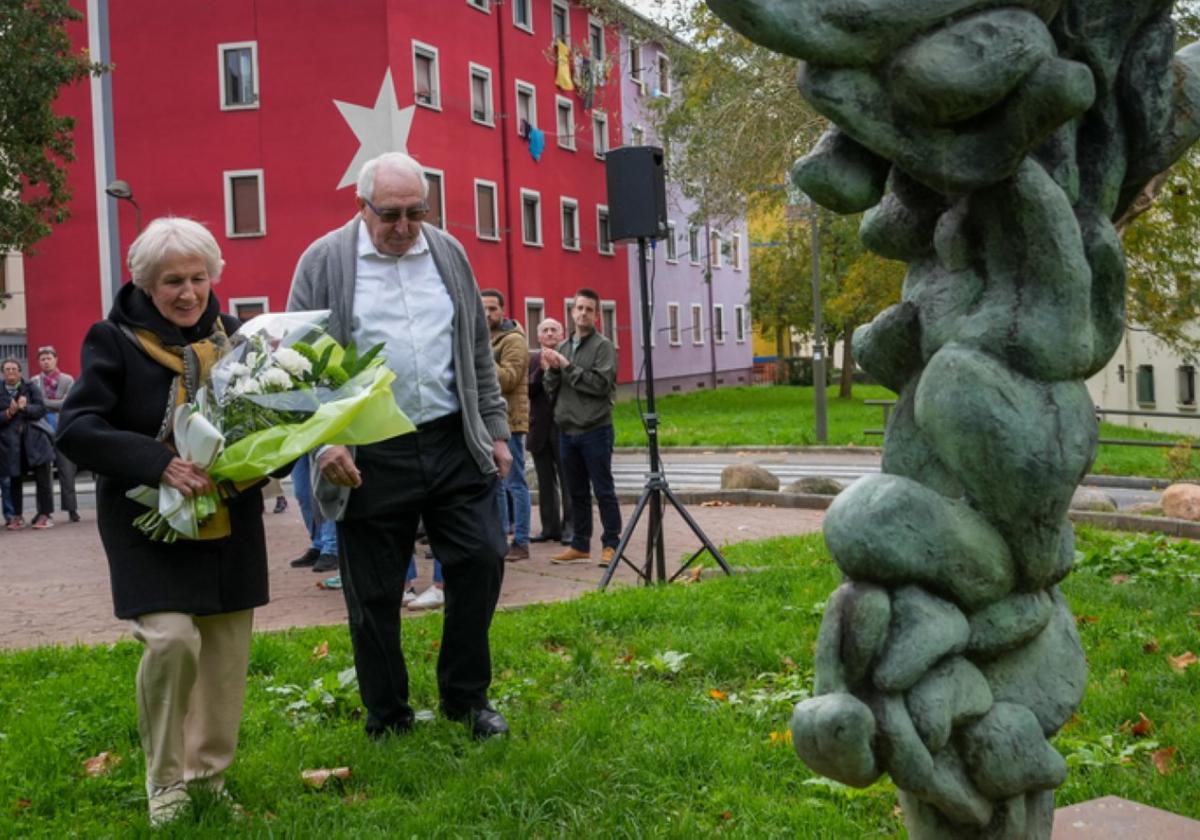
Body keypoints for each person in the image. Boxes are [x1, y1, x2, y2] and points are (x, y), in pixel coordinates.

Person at [288, 151, 512, 740]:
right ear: (362, 207)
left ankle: (466, 698)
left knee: (481, 557)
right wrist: (325, 441)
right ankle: (387, 714)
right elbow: (299, 363)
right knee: (375, 590)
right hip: (368, 449)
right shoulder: (324, 261)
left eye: (417, 212)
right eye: (391, 214)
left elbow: (476, 350)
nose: (405, 227)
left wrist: (494, 427)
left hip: (450, 437)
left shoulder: (447, 253)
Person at [56, 217, 268, 827]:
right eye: (172, 280)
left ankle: (208, 780)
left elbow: (273, 418)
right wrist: (159, 463)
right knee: (173, 640)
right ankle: (166, 784)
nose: (188, 292)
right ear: (146, 284)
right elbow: (77, 428)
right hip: (147, 520)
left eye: (198, 278)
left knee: (226, 657)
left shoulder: (236, 339)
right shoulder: (113, 340)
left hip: (228, 515)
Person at [544, 289, 621, 566]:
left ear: (597, 315)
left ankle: (611, 543)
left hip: (595, 429)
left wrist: (566, 367)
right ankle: (580, 544)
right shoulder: (563, 347)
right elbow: (551, 389)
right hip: (567, 430)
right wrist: (552, 371)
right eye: (579, 308)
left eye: (589, 309)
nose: (583, 313)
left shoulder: (604, 347)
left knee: (603, 490)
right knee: (575, 491)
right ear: (572, 312)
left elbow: (600, 386)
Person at [481, 289, 531, 562]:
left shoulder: (513, 340)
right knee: (496, 484)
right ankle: (500, 538)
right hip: (489, 423)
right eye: (483, 309)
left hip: (510, 421)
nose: (487, 314)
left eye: (492, 309)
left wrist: (482, 357)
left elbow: (509, 379)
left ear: (503, 311)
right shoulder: (486, 339)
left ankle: (521, 541)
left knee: (515, 483)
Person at [527, 318, 572, 545]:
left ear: (561, 334)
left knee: (568, 480)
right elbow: (527, 389)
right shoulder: (532, 359)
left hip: (563, 427)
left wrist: (554, 370)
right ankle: (549, 528)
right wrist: (541, 372)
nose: (550, 333)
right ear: (539, 336)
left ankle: (570, 528)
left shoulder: (568, 357)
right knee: (545, 482)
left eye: (554, 329)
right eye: (545, 330)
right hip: (540, 429)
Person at [1, 358, 56, 530]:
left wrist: (25, 408)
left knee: (43, 480)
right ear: (3, 372)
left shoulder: (31, 387)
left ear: (19, 372)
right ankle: (17, 516)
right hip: (11, 444)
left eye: (14, 369)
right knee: (15, 479)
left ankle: (45, 515)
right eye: (7, 369)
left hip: (35, 441)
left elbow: (41, 409)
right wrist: (8, 413)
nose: (10, 372)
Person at [33, 346, 81, 522]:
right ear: (39, 362)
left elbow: (66, 404)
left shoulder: (67, 379)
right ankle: (44, 511)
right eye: (42, 359)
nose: (46, 361)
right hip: (42, 430)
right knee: (43, 475)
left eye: (49, 358)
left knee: (67, 472)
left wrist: (43, 403)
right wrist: (53, 403)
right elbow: (35, 406)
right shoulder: (34, 381)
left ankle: (71, 509)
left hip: (64, 430)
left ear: (56, 359)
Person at [288, 453, 339, 573]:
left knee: (325, 491)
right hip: (296, 438)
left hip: (322, 439)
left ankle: (331, 550)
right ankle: (318, 545)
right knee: (303, 494)